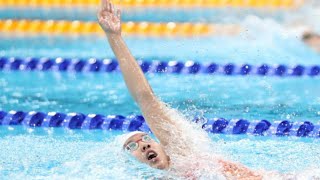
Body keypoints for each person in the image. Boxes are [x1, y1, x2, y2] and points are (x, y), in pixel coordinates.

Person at [97, 0, 263, 179]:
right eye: (132, 147)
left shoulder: (182, 154)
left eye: (145, 138)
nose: (143, 146)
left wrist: (114, 37)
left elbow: (145, 98)